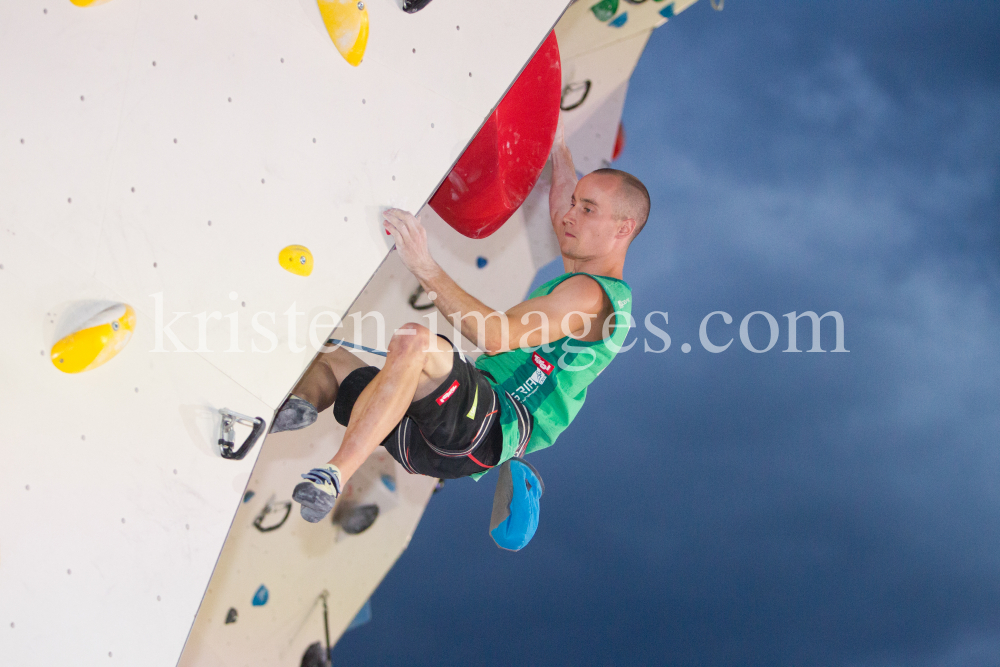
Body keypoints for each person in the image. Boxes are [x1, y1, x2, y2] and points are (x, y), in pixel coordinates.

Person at [277, 126, 650, 522]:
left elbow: (495, 336)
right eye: (575, 204)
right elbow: (561, 204)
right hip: (431, 435)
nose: (568, 216)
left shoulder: (592, 295)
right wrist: (558, 148)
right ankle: (290, 409)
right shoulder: (583, 263)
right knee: (331, 359)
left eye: (586, 209)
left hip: (489, 423)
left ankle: (333, 475)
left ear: (623, 228)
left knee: (416, 343)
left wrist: (423, 265)